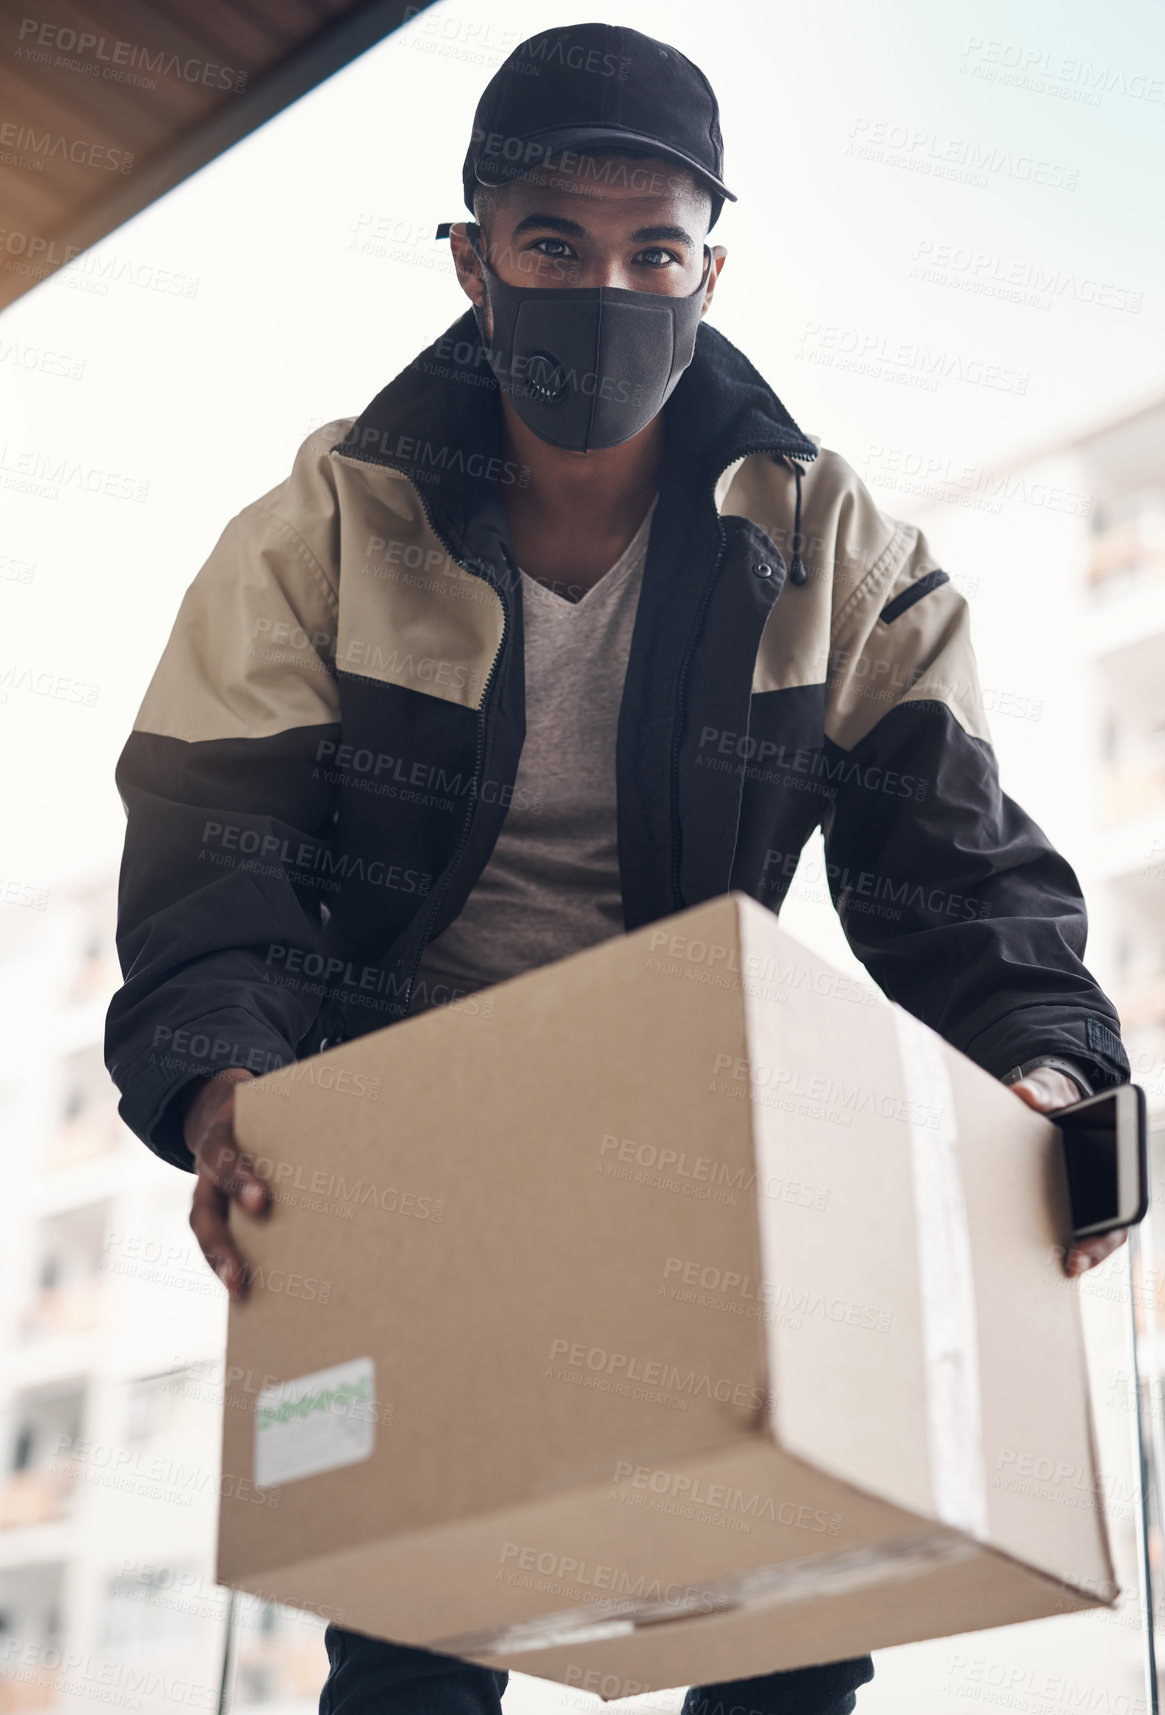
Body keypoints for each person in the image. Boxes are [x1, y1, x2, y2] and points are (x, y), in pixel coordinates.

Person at [104, 22, 1132, 1715]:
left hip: (711, 1129)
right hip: (419, 1134)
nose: (608, 285)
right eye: (552, 244)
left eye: (653, 248)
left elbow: (949, 856)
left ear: (708, 270)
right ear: (473, 262)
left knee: (790, 1605)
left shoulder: (826, 542)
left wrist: (1046, 1072)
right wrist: (230, 1090)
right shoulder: (323, 529)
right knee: (419, 1620)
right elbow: (215, 851)